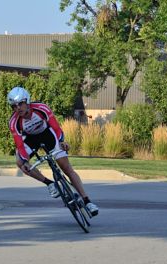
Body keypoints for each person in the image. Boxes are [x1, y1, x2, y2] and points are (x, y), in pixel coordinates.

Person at [7, 86, 99, 216]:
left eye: (20, 104)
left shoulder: (41, 108)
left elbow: (56, 127)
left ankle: (87, 201)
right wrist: (25, 161)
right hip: (30, 139)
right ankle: (49, 183)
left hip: (48, 135)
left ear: (27, 101)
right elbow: (20, 145)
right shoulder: (13, 122)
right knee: (19, 162)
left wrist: (62, 141)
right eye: (14, 106)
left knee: (66, 167)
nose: (17, 109)